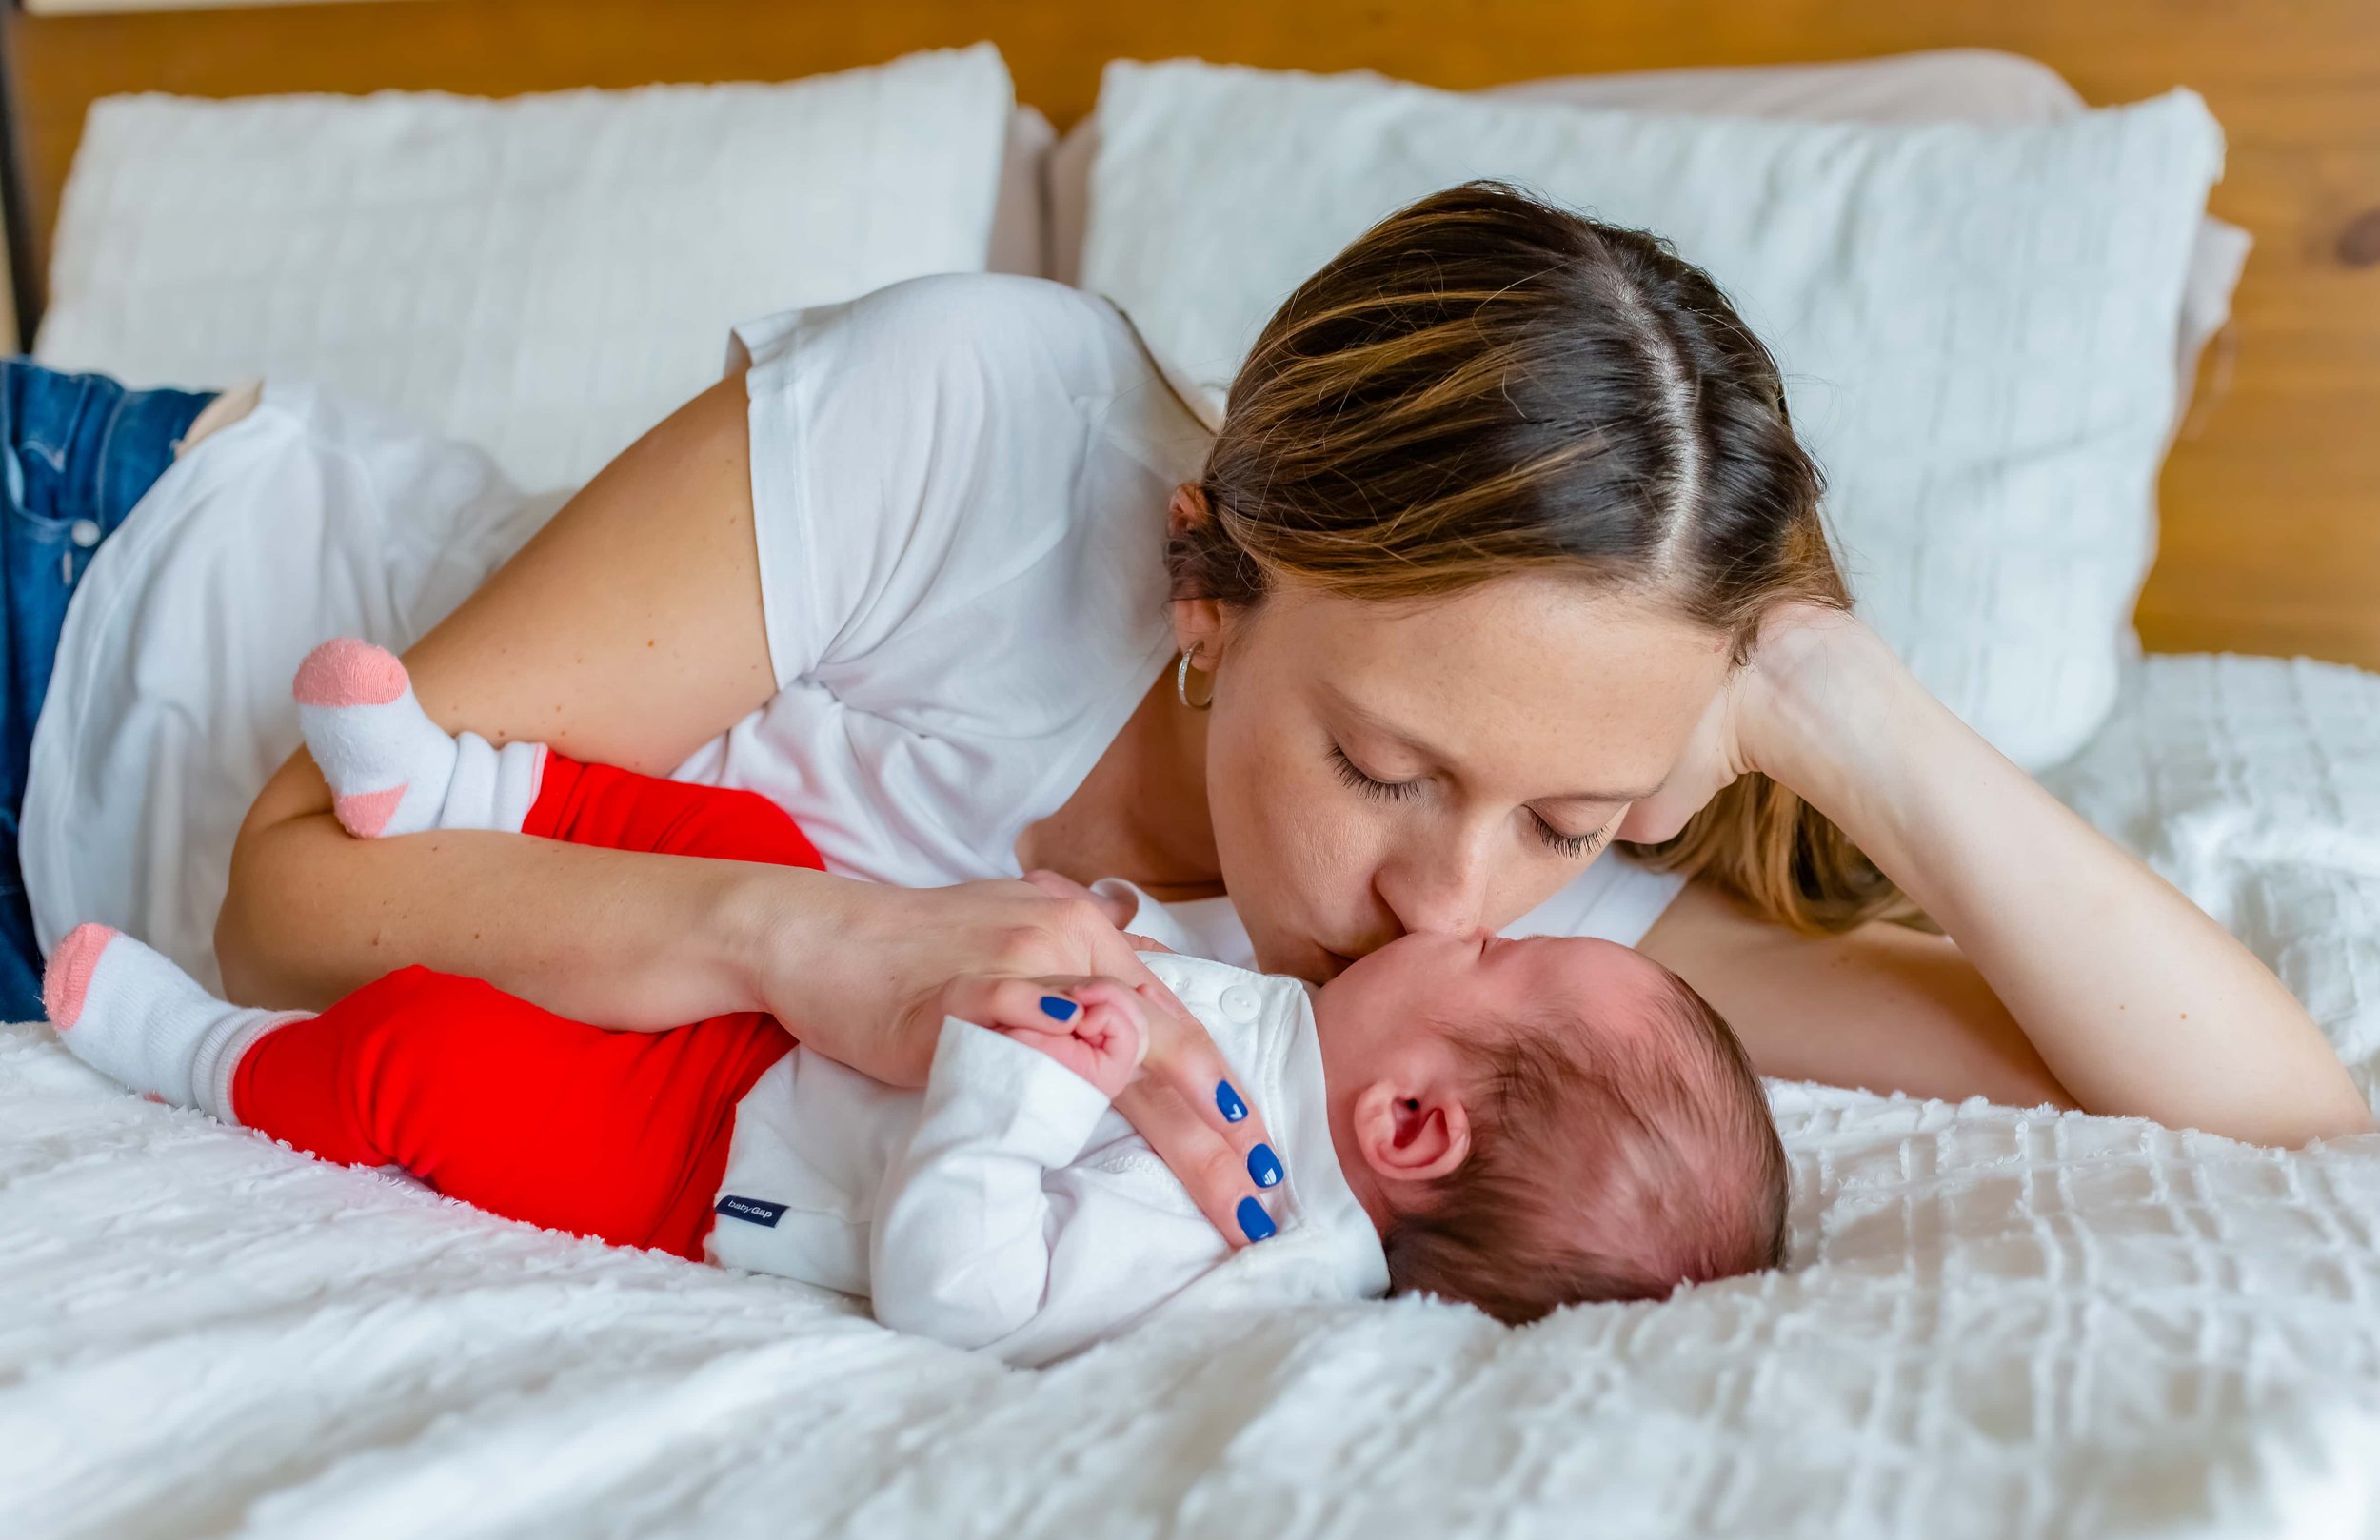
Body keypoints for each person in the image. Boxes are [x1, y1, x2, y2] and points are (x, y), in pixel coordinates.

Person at [15, 184, 2369, 1258]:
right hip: (95, 590)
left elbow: (2278, 1116)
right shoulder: (981, 424)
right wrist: (818, 943)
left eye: (1561, 807)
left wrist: (1832, 694)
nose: (1442, 895)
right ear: (1204, 582)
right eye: (1380, 766)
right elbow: (294, 888)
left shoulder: (1517, 950)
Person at [44, 643, 1787, 1362]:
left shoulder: (1229, 1240)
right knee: (729, 833)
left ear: (1412, 1125)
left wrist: (1014, 1082)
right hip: (840, 978)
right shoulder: (1310, 1030)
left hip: (721, 1158)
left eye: (1493, 947)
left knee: (436, 1063)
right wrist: (1072, 927)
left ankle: (199, 1053)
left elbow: (962, 1294)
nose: (1456, 903)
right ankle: (451, 784)